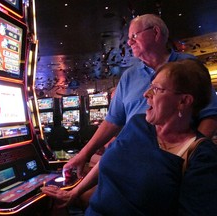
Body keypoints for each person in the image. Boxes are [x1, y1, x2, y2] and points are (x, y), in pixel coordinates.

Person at [41, 59, 217, 215]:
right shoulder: (138, 124)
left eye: (156, 89)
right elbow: (110, 159)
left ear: (184, 101)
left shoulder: (201, 155)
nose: (146, 94)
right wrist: (74, 192)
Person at [64, 14, 217, 178]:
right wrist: (84, 154)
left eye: (134, 36)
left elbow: (211, 114)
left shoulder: (188, 67)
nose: (129, 42)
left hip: (170, 163)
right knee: (74, 195)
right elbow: (112, 121)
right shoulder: (129, 75)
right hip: (130, 160)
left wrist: (188, 156)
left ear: (156, 33)